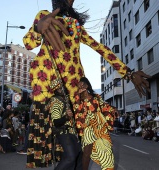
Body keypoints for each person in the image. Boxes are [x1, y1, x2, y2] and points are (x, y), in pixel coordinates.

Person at [23, 0, 151, 168]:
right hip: (52, 96)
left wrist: (128, 73)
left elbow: (101, 48)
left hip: (76, 98)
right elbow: (29, 43)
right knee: (71, 154)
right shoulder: (43, 16)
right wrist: (38, 28)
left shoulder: (75, 25)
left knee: (81, 154)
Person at [73, 77, 115, 170]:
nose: (81, 87)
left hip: (100, 126)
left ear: (87, 86)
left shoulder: (96, 97)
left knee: (105, 148)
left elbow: (104, 107)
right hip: (87, 126)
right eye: (79, 86)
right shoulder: (78, 99)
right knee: (87, 151)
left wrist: (112, 109)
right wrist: (78, 97)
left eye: (83, 85)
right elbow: (77, 111)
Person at [48, 78, 82, 170]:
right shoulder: (56, 101)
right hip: (64, 133)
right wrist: (66, 117)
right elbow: (56, 122)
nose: (64, 89)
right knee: (70, 158)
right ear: (57, 90)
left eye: (63, 87)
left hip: (72, 133)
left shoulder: (66, 100)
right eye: (61, 88)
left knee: (79, 155)